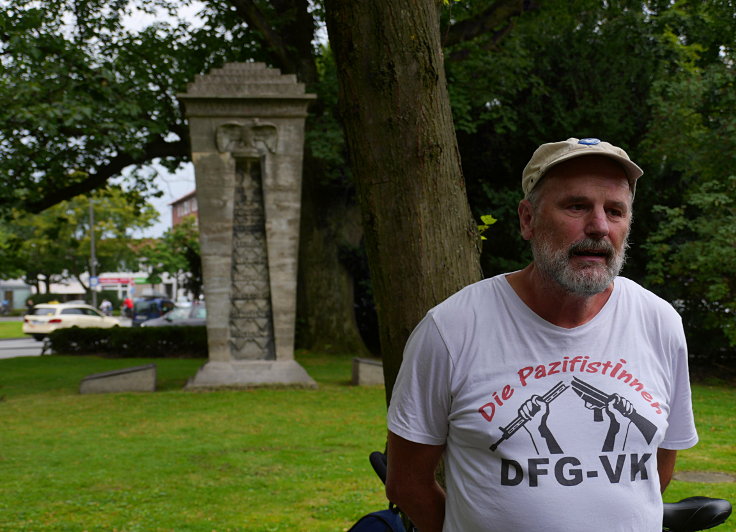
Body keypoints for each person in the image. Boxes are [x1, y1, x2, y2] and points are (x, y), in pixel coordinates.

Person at [385, 138, 698, 532]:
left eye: (615, 211)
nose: (599, 226)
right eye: (577, 206)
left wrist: (616, 422)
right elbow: (407, 483)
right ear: (527, 219)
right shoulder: (450, 329)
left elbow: (655, 471)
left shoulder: (660, 322)